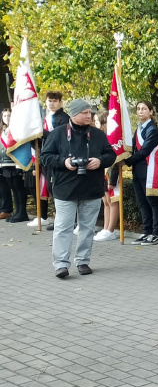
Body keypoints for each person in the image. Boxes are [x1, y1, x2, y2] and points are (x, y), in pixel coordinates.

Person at [39, 99, 116, 278]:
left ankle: (83, 261)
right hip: (65, 190)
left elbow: (111, 155)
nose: (89, 116)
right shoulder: (58, 134)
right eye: (85, 113)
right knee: (63, 227)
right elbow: (45, 157)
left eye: (90, 112)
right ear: (73, 114)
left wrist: (100, 161)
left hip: (92, 188)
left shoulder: (97, 134)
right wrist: (64, 162)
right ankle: (61, 265)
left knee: (87, 228)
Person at [128, 100, 158, 245]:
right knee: (142, 202)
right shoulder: (139, 128)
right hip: (138, 169)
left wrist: (128, 161)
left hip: (148, 169)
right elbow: (133, 148)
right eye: (138, 109)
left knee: (152, 201)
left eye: (144, 108)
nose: (140, 111)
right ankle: (146, 231)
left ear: (150, 112)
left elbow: (144, 151)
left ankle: (157, 233)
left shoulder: (152, 130)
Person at [39, 90, 69, 228]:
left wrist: (40, 132)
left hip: (58, 157)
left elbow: (56, 136)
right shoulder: (46, 117)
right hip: (47, 157)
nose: (52, 103)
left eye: (55, 101)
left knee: (56, 188)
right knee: (51, 189)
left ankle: (62, 220)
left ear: (60, 102)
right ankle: (59, 218)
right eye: (50, 100)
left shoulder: (63, 118)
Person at [93, 111, 120, 241]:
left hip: (111, 174)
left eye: (97, 121)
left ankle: (111, 229)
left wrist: (113, 179)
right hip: (102, 173)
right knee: (106, 201)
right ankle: (105, 228)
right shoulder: (100, 137)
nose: (94, 123)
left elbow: (114, 160)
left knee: (112, 201)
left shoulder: (111, 138)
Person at [0, 107, 29, 223]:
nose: (7, 118)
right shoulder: (4, 130)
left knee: (19, 187)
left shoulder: (16, 129)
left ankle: (22, 212)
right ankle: (17, 211)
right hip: (5, 163)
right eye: (5, 116)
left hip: (14, 162)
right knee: (13, 188)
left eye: (9, 116)